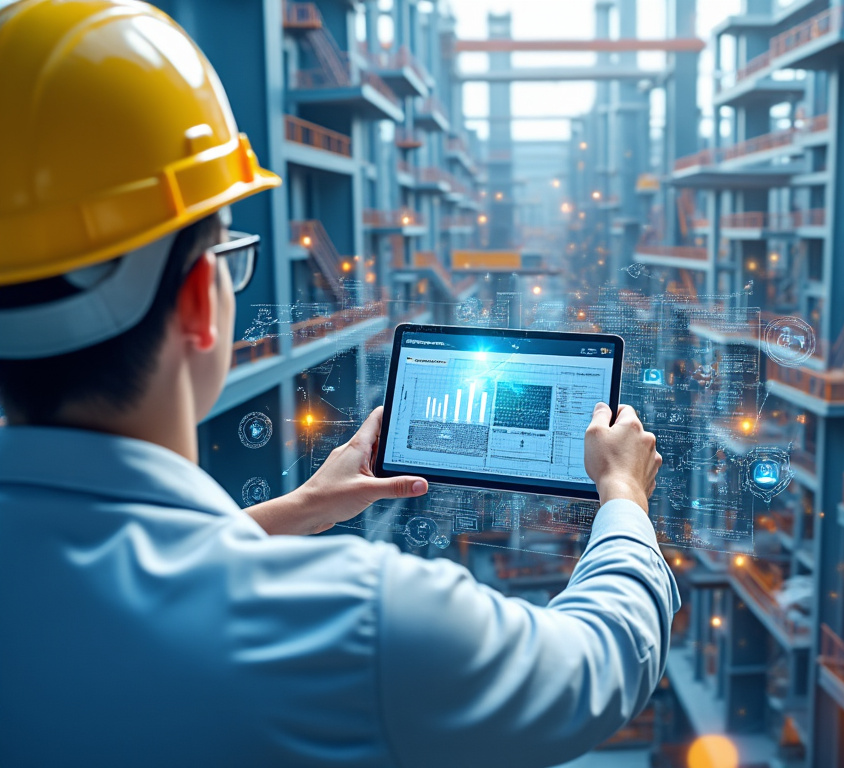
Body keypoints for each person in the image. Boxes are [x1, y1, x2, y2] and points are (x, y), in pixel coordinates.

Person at [0, 2, 680, 766]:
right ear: (198, 299)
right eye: (230, 255)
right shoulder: (360, 621)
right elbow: (594, 669)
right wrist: (624, 497)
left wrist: (300, 510)